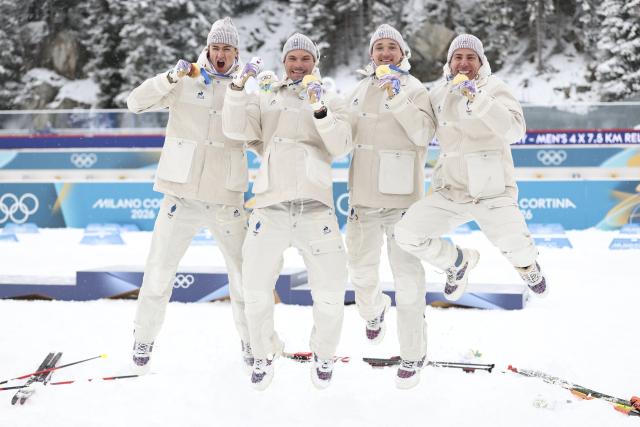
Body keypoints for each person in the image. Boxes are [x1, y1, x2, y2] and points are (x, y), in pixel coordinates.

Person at [222, 33, 352, 390]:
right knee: (255, 287)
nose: (298, 65)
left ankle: (324, 355)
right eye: (292, 59)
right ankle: (262, 354)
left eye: (305, 59)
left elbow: (341, 144)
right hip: (270, 206)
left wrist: (319, 109)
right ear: (283, 63)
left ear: (315, 63)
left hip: (316, 209)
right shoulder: (266, 95)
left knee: (330, 290)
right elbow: (234, 128)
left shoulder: (332, 99)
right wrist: (237, 89)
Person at [126, 17, 255, 373]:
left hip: (226, 200)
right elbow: (134, 103)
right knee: (158, 271)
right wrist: (169, 77)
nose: (221, 54)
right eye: (217, 47)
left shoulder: (246, 88)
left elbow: (263, 132)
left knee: (244, 277)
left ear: (236, 53)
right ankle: (144, 337)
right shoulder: (186, 79)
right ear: (208, 48)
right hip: (180, 196)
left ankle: (252, 342)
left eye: (228, 48)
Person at [395, 34, 548, 314]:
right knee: (406, 234)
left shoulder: (495, 88)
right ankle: (456, 263)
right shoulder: (438, 94)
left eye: (470, 57)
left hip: (493, 191)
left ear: (481, 61)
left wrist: (477, 97)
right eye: (458, 57)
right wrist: (396, 99)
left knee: (519, 249)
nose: (464, 63)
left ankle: (528, 268)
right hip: (451, 191)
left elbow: (515, 131)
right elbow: (421, 132)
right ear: (449, 62)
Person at [345, 24, 436, 389]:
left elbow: (425, 135)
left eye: (391, 48)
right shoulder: (358, 90)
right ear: (371, 54)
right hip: (363, 201)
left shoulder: (415, 89)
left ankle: (414, 354)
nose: (385, 53)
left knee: (410, 283)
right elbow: (341, 134)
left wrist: (397, 95)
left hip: (403, 204)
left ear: (403, 54)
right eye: (379, 48)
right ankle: (373, 311)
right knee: (361, 273)